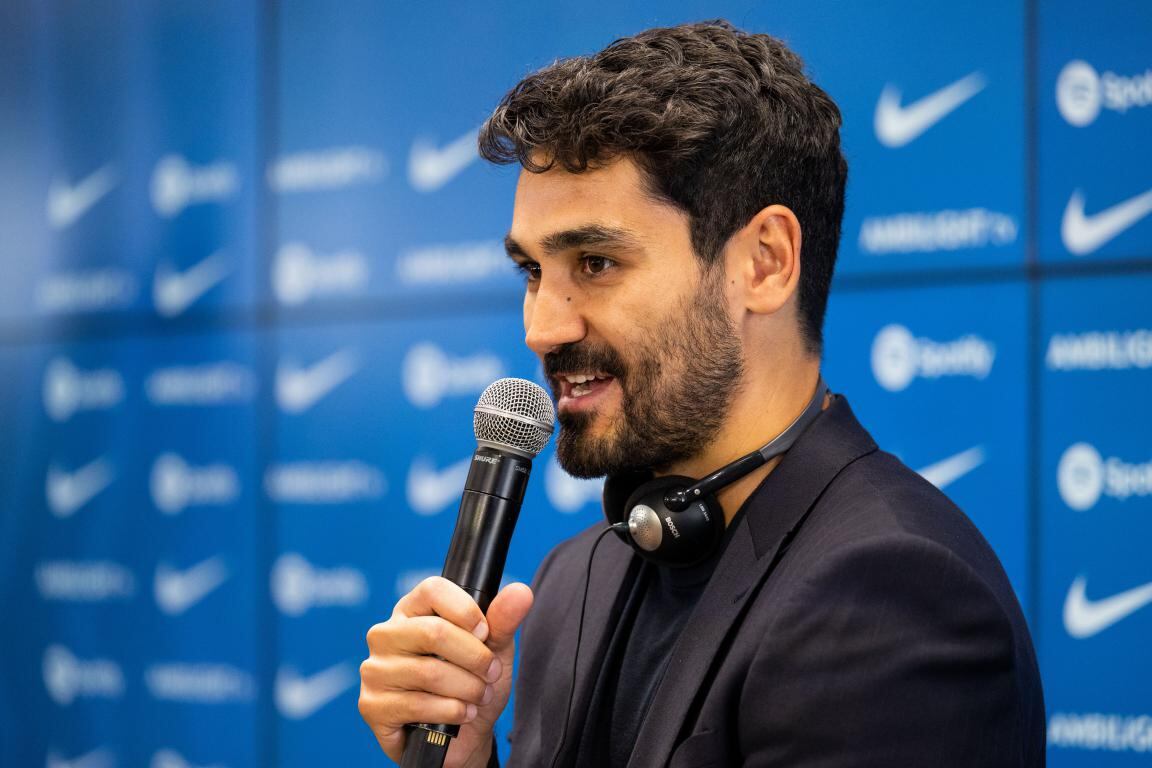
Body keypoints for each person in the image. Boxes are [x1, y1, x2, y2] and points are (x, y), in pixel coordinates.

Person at [359, 20, 1045, 767]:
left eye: (593, 262)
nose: (541, 329)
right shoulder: (575, 577)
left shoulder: (895, 599)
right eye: (532, 271)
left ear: (765, 263)